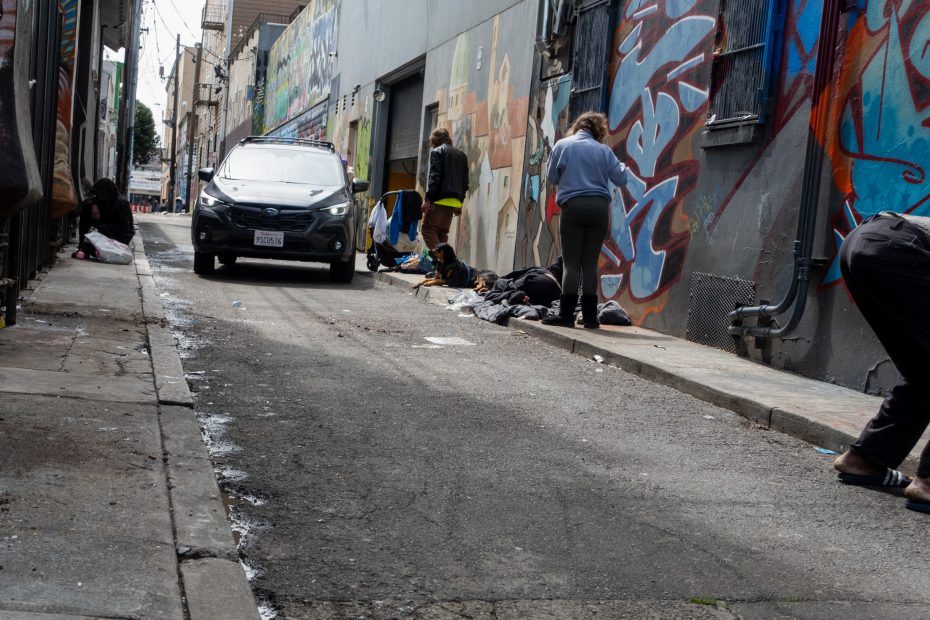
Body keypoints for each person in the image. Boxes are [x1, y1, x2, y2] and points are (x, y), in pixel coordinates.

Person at [833, 211, 930, 514]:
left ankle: (864, 460)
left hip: (863, 243)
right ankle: (928, 484)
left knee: (922, 371)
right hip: (896, 248)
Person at [541, 111, 628, 329]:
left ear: (577, 126)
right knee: (590, 263)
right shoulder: (604, 150)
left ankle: (566, 316)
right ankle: (590, 318)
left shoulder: (563, 146)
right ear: (598, 131)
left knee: (571, 264)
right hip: (599, 208)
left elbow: (552, 177)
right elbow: (621, 178)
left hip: (573, 206)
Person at [422, 128, 469, 250]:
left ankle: (444, 261)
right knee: (441, 233)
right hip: (454, 202)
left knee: (427, 229)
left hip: (439, 200)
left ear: (434, 141)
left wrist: (427, 200)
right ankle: (444, 267)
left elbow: (434, 177)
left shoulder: (437, 152)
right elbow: (465, 183)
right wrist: (460, 203)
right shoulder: (462, 155)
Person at [73, 178, 134, 260]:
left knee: (93, 244)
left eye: (100, 195)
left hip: (119, 237)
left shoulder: (121, 203)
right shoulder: (103, 201)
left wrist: (99, 229)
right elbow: (87, 201)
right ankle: (83, 247)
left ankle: (86, 249)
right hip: (105, 230)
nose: (99, 198)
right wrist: (94, 205)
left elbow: (123, 228)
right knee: (87, 207)